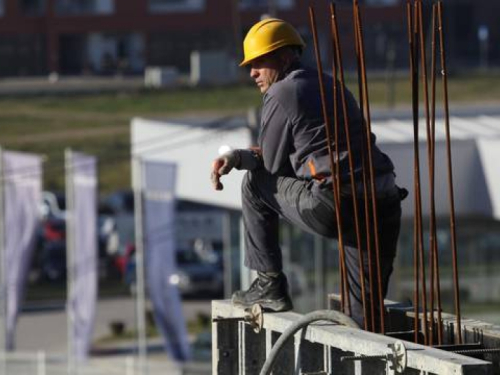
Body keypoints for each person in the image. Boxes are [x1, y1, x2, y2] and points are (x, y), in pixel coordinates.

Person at [210, 18, 405, 328]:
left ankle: (269, 283)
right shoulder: (331, 82)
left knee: (254, 184)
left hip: (335, 202)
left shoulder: (281, 92)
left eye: (260, 61)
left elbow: (272, 168)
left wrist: (239, 158)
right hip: (382, 200)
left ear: (286, 56)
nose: (253, 72)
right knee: (364, 317)